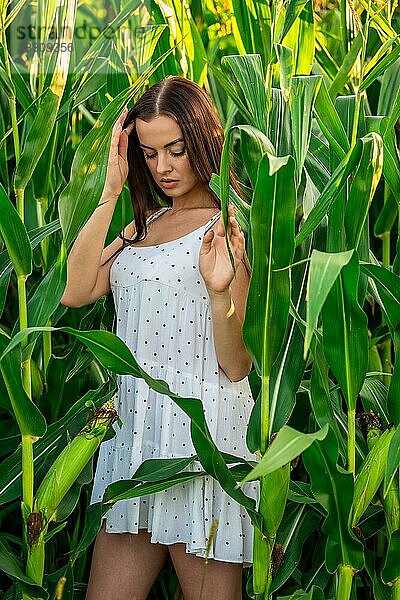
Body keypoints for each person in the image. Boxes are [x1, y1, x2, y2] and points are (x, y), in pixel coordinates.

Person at [61, 76, 259, 600]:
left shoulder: (229, 225)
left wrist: (221, 296)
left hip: (203, 445)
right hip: (135, 442)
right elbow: (77, 289)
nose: (164, 167)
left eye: (177, 149)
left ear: (204, 140)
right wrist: (109, 193)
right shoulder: (143, 226)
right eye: (149, 154)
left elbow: (237, 365)